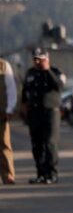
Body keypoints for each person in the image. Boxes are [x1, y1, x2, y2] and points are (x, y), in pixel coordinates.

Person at [21, 48, 64, 184]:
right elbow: (25, 92)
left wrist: (47, 70)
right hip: (34, 113)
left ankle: (51, 173)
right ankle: (40, 174)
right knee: (37, 144)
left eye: (40, 59)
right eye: (35, 59)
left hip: (50, 112)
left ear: (47, 58)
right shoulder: (30, 73)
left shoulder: (56, 72)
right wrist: (24, 107)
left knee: (50, 143)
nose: (37, 62)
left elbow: (59, 86)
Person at [0, 57, 18, 184]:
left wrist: (10, 108)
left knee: (4, 144)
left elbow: (11, 88)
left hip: (1, 113)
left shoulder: (3, 65)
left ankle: (8, 175)